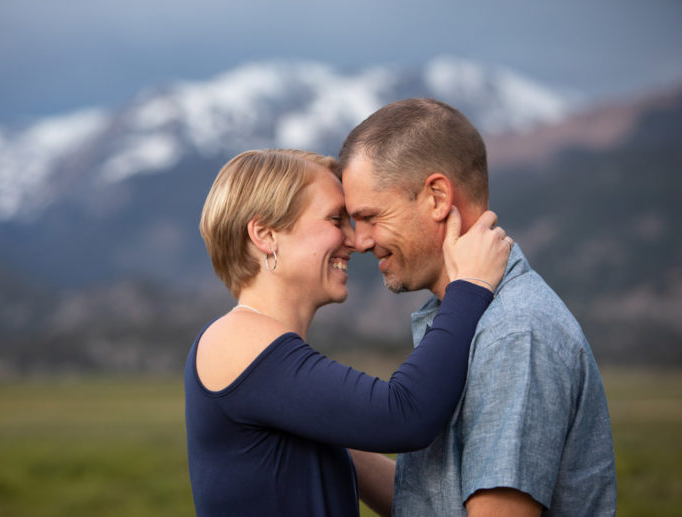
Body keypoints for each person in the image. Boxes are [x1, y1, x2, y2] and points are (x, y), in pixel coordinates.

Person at [185, 148, 512, 516]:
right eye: (335, 219)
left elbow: (409, 502)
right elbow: (405, 415)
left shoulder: (274, 374)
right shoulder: (235, 339)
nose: (355, 241)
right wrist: (470, 285)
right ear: (265, 234)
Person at [338, 98, 617, 516]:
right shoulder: (471, 318)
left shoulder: (514, 332)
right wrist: (320, 432)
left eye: (371, 216)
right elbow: (433, 502)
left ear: (436, 197)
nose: (359, 241)